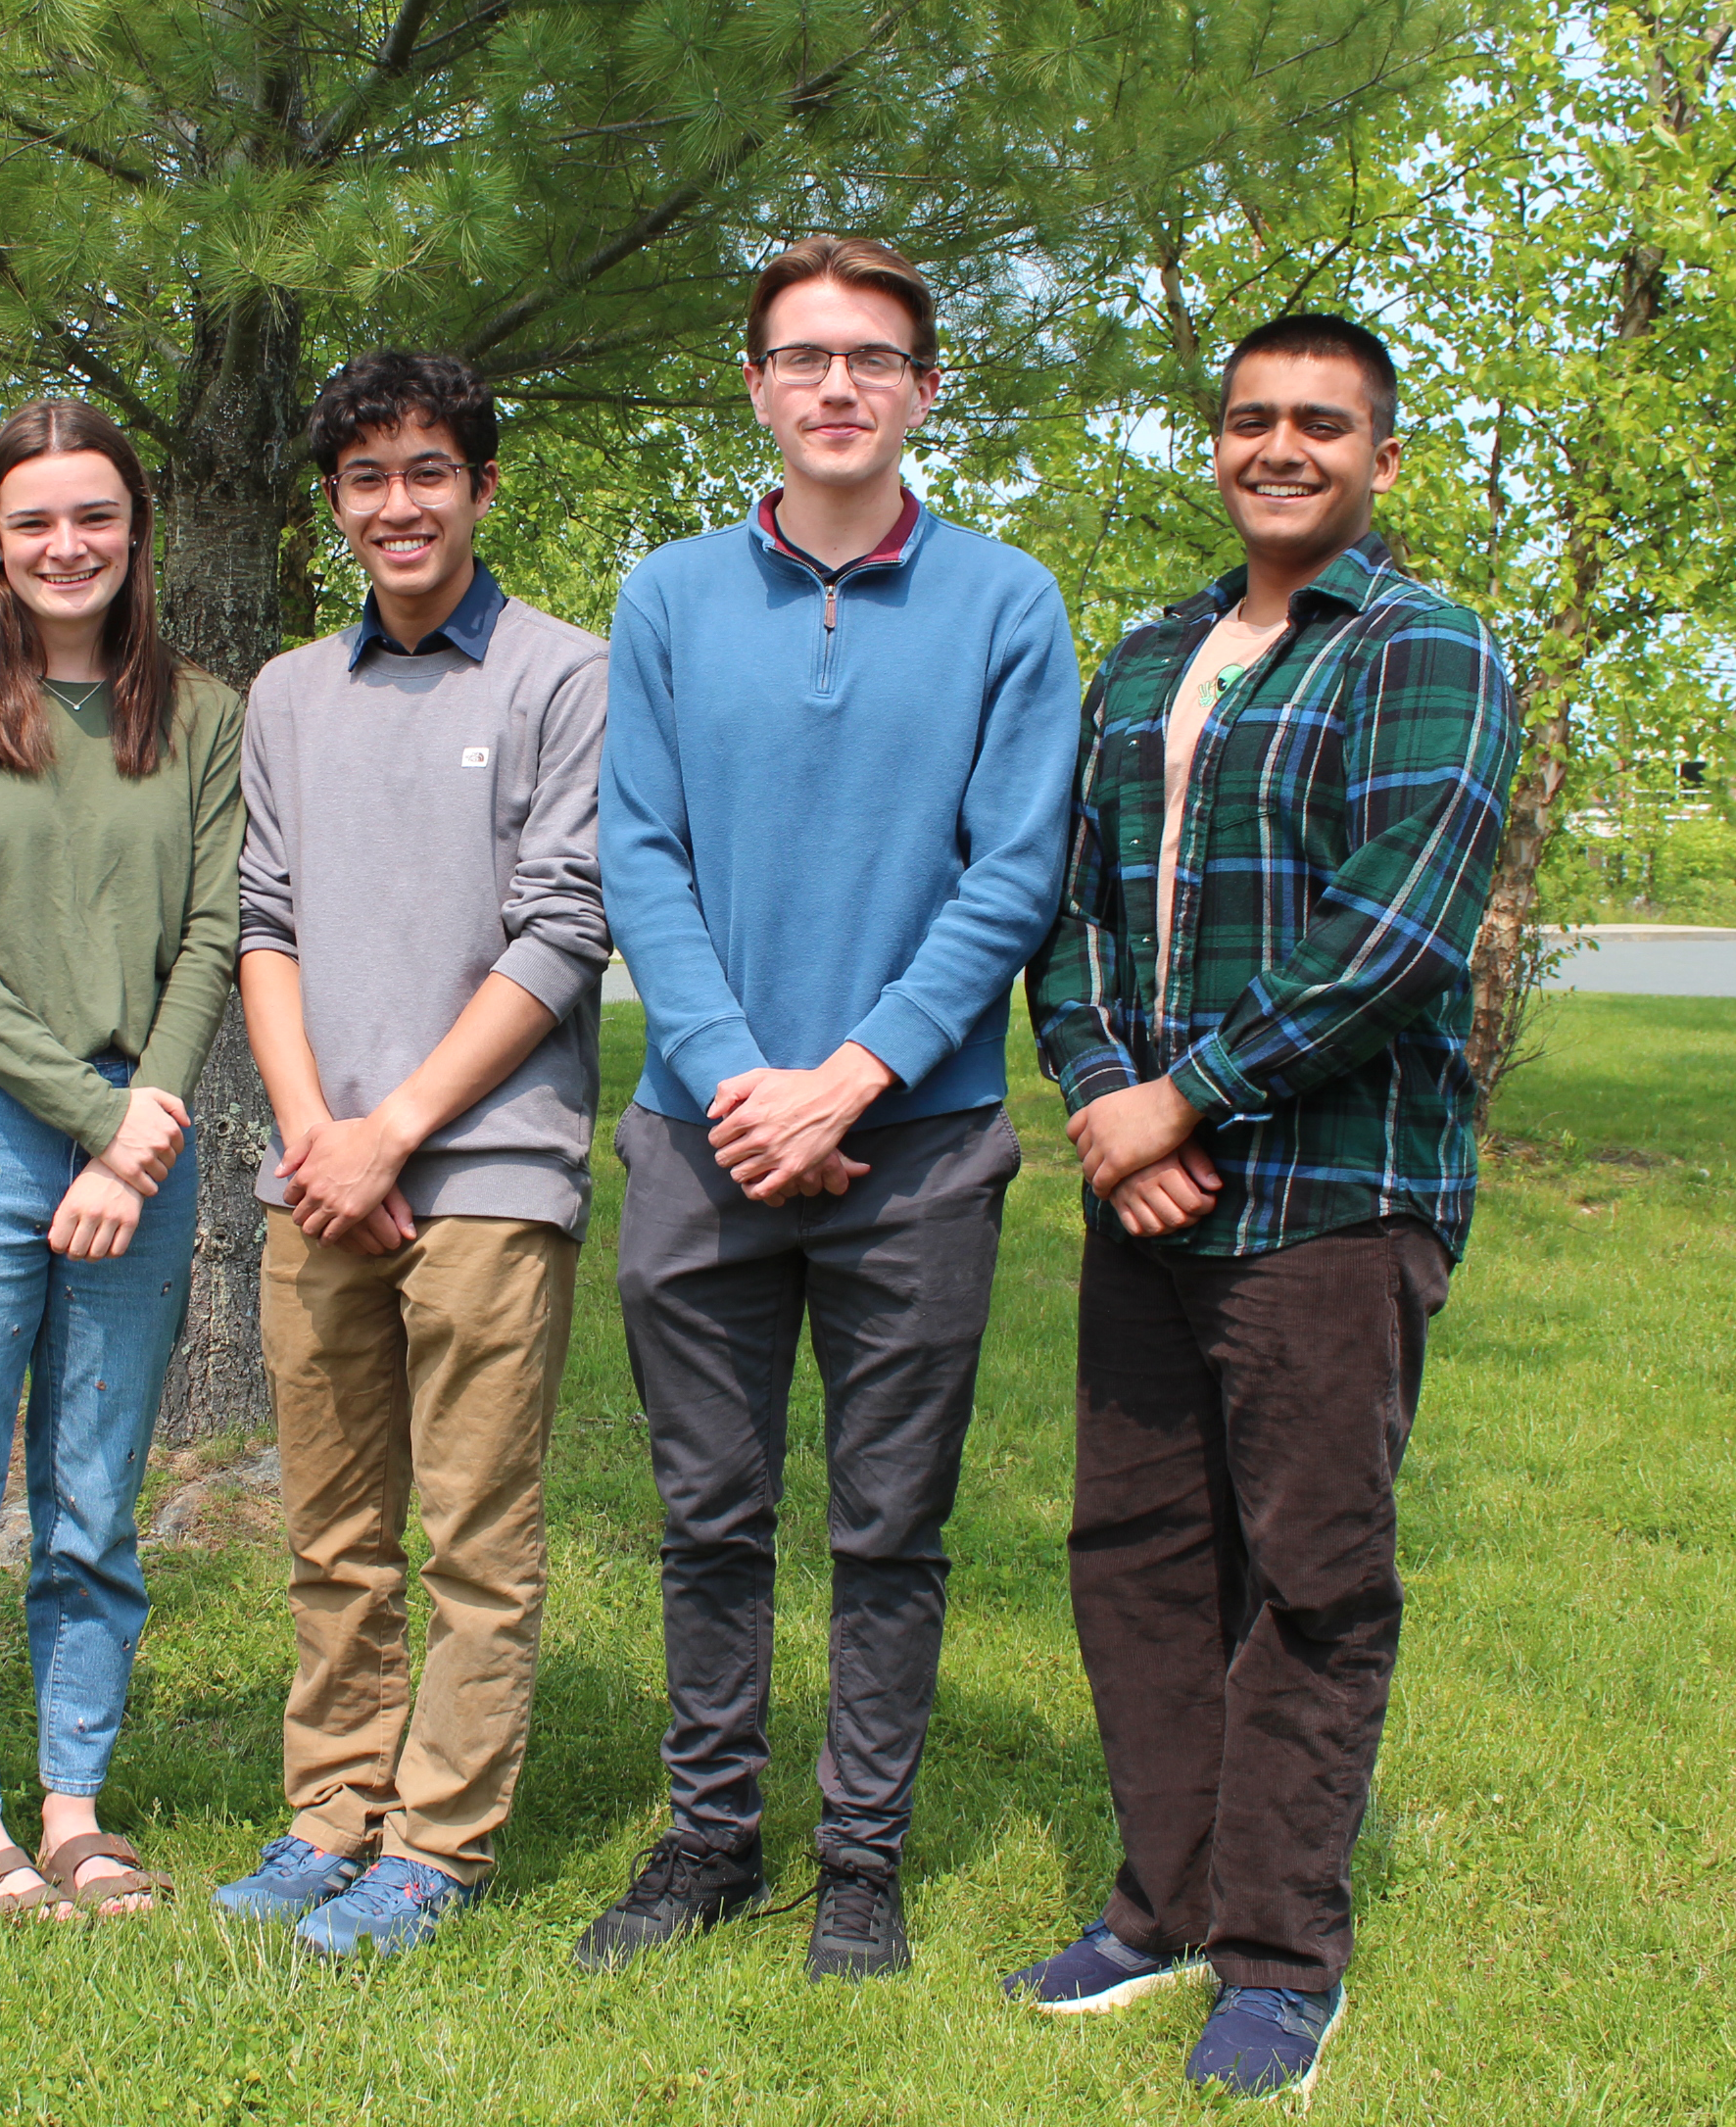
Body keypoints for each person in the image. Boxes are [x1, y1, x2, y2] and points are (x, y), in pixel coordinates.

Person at [1012, 314, 1516, 2099]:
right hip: (1144, 1197)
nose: (1278, 447)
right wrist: (1099, 1101)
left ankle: (1283, 1956)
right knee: (1138, 1557)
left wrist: (1183, 1093)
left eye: (1320, 423)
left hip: (1330, 1192)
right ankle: (1159, 1905)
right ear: (1214, 445)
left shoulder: (1427, 647)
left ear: (1380, 457)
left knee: (1311, 1577)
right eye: (1248, 420)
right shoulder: (1145, 656)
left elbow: (1394, 929)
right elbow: (1064, 912)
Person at [587, 236, 1082, 1979]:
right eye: (802, 358)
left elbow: (1011, 871)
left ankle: (857, 1856)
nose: (837, 387)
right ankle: (711, 1833)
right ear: (756, 388)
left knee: (888, 1522)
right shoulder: (664, 599)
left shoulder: (1008, 603)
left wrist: (855, 1072)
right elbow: (636, 854)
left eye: (873, 358)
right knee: (707, 1513)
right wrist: (738, 1080)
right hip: (699, 1140)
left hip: (920, 1145)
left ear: (924, 389)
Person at [213, 352, 608, 1959]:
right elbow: (264, 923)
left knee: (474, 1534)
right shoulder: (289, 695)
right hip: (317, 1176)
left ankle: (436, 1840)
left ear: (481, 488)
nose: (399, 504)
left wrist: (394, 1129)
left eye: (428, 471)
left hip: (486, 1177)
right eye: (366, 479)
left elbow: (565, 924)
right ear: (334, 506)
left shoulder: (562, 676)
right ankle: (330, 1811)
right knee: (331, 1530)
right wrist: (317, 1134)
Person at [0, 399, 243, 1921]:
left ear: (133, 531)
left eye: (92, 515)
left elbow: (213, 929)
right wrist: (102, 1122)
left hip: (136, 1138)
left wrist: (138, 1119)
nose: (64, 544)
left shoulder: (203, 713)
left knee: (93, 1498)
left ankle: (74, 1802)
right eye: (32, 519)